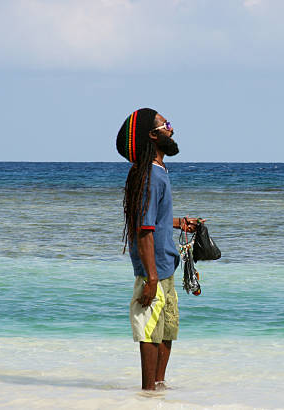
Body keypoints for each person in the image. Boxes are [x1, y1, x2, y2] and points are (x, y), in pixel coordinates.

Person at [116, 108, 200, 390]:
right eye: (167, 125)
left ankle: (159, 389)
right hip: (153, 271)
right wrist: (151, 278)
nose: (172, 130)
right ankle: (148, 393)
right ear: (153, 135)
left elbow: (154, 218)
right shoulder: (150, 175)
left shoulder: (158, 171)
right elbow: (143, 229)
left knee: (167, 331)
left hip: (165, 267)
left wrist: (178, 223)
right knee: (150, 333)